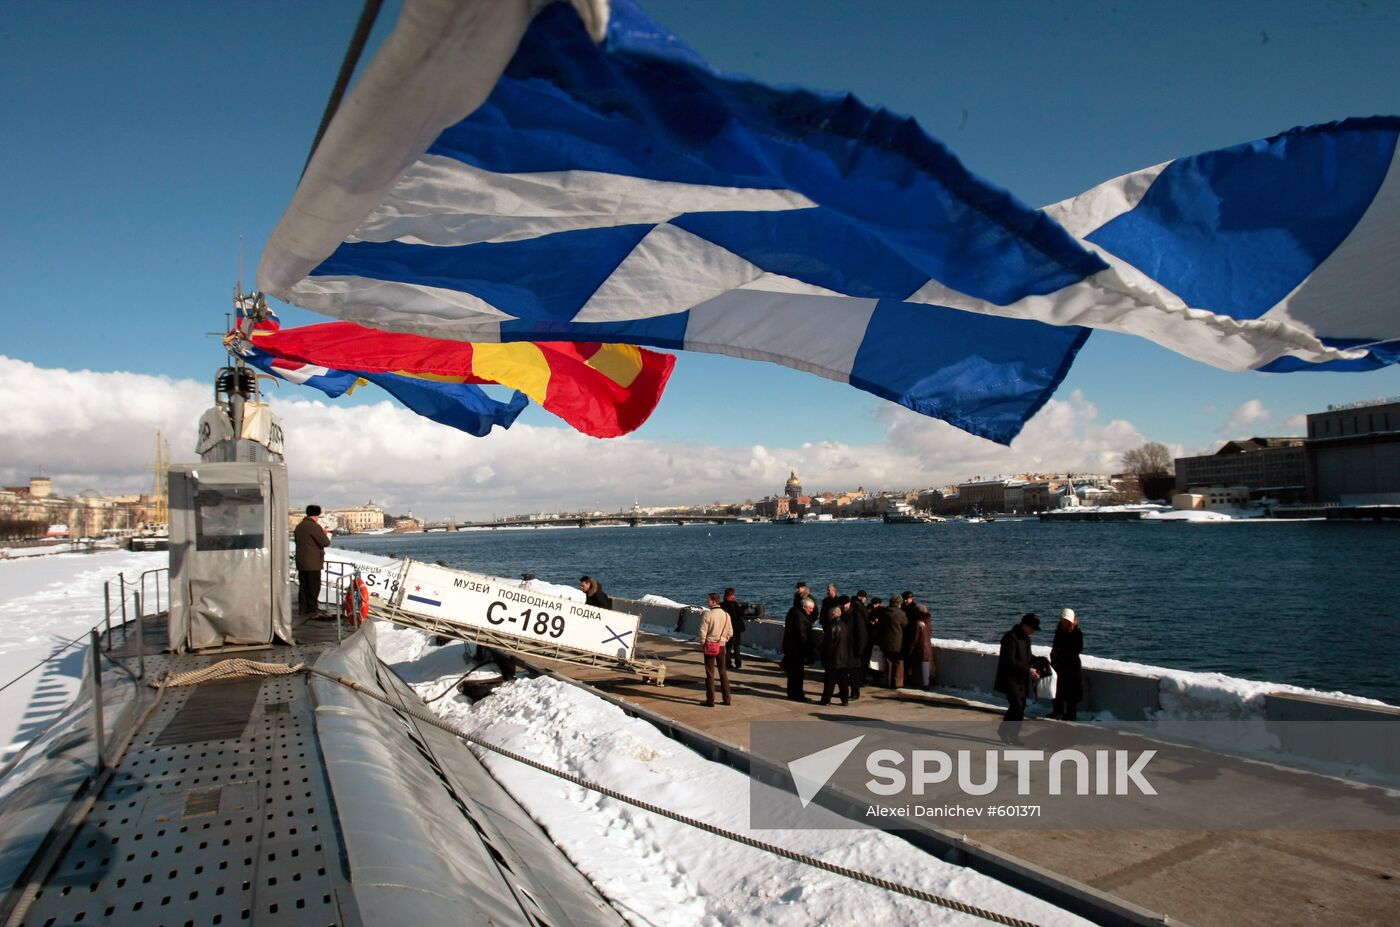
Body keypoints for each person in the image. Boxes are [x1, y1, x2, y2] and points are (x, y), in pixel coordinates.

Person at [993, 613, 1041, 722]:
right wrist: (1028, 670)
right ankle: (1006, 732)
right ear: (1024, 625)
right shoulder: (1010, 637)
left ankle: (1011, 734)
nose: (1033, 632)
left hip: (1021, 680)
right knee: (1017, 706)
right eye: (1032, 628)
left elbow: (1026, 657)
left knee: (1020, 707)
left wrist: (1038, 660)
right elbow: (1010, 660)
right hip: (1010, 679)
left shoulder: (1026, 639)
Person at [293, 504, 330, 617]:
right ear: (317, 515)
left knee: (303, 586)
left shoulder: (299, 526)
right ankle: (312, 609)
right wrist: (325, 534)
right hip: (313, 563)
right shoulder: (314, 527)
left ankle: (303, 609)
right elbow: (325, 543)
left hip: (301, 562)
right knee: (314, 586)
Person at [698, 592, 733, 706]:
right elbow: (730, 632)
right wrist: (723, 640)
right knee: (723, 672)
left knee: (710, 673)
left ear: (713, 601)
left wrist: (703, 643)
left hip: (710, 645)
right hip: (721, 646)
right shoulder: (726, 615)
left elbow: (703, 632)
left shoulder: (708, 615)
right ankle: (727, 699)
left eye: (708, 600)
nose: (707, 602)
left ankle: (710, 700)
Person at [1049, 608, 1084, 720]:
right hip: (1059, 664)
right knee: (1058, 690)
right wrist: (1055, 656)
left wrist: (1063, 653)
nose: (1064, 622)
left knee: (1071, 692)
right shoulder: (1059, 631)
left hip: (1071, 666)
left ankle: (1070, 713)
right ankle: (1057, 710)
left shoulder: (1076, 633)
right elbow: (1055, 646)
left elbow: (1078, 649)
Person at [819, 603, 852, 705]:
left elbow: (827, 645)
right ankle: (845, 700)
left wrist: (823, 655)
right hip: (844, 657)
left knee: (829, 681)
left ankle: (826, 700)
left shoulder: (831, 627)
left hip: (833, 658)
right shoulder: (845, 626)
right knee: (843, 681)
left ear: (832, 614)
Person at [782, 596, 814, 701]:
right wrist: (808, 649)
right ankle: (797, 695)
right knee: (797, 674)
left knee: (793, 674)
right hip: (796, 650)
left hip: (791, 648)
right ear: (804, 607)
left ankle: (792, 693)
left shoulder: (794, 612)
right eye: (810, 608)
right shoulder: (799, 616)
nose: (812, 611)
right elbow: (801, 635)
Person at [878, 594, 908, 688]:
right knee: (898, 662)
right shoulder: (900, 614)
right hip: (897, 641)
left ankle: (888, 681)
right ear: (899, 604)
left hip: (886, 641)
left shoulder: (884, 612)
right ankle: (897, 682)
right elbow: (905, 624)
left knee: (888, 661)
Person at [846, 594, 869, 700]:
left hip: (854, 649)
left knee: (854, 672)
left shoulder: (854, 616)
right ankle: (849, 690)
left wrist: (859, 649)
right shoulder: (856, 614)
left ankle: (855, 692)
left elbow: (860, 634)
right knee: (851, 671)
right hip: (853, 648)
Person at [906, 605, 933, 688]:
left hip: (920, 648)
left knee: (919, 667)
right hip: (927, 647)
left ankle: (921, 684)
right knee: (925, 666)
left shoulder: (918, 623)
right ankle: (926, 683)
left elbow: (915, 638)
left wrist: (910, 649)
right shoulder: (928, 622)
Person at [721, 587, 747, 670]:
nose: (734, 596)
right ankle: (738, 663)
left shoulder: (722, 605)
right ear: (730, 596)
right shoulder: (734, 604)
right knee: (736, 646)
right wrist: (743, 609)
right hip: (736, 628)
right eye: (732, 595)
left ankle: (728, 663)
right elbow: (741, 614)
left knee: (728, 646)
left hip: (726, 627)